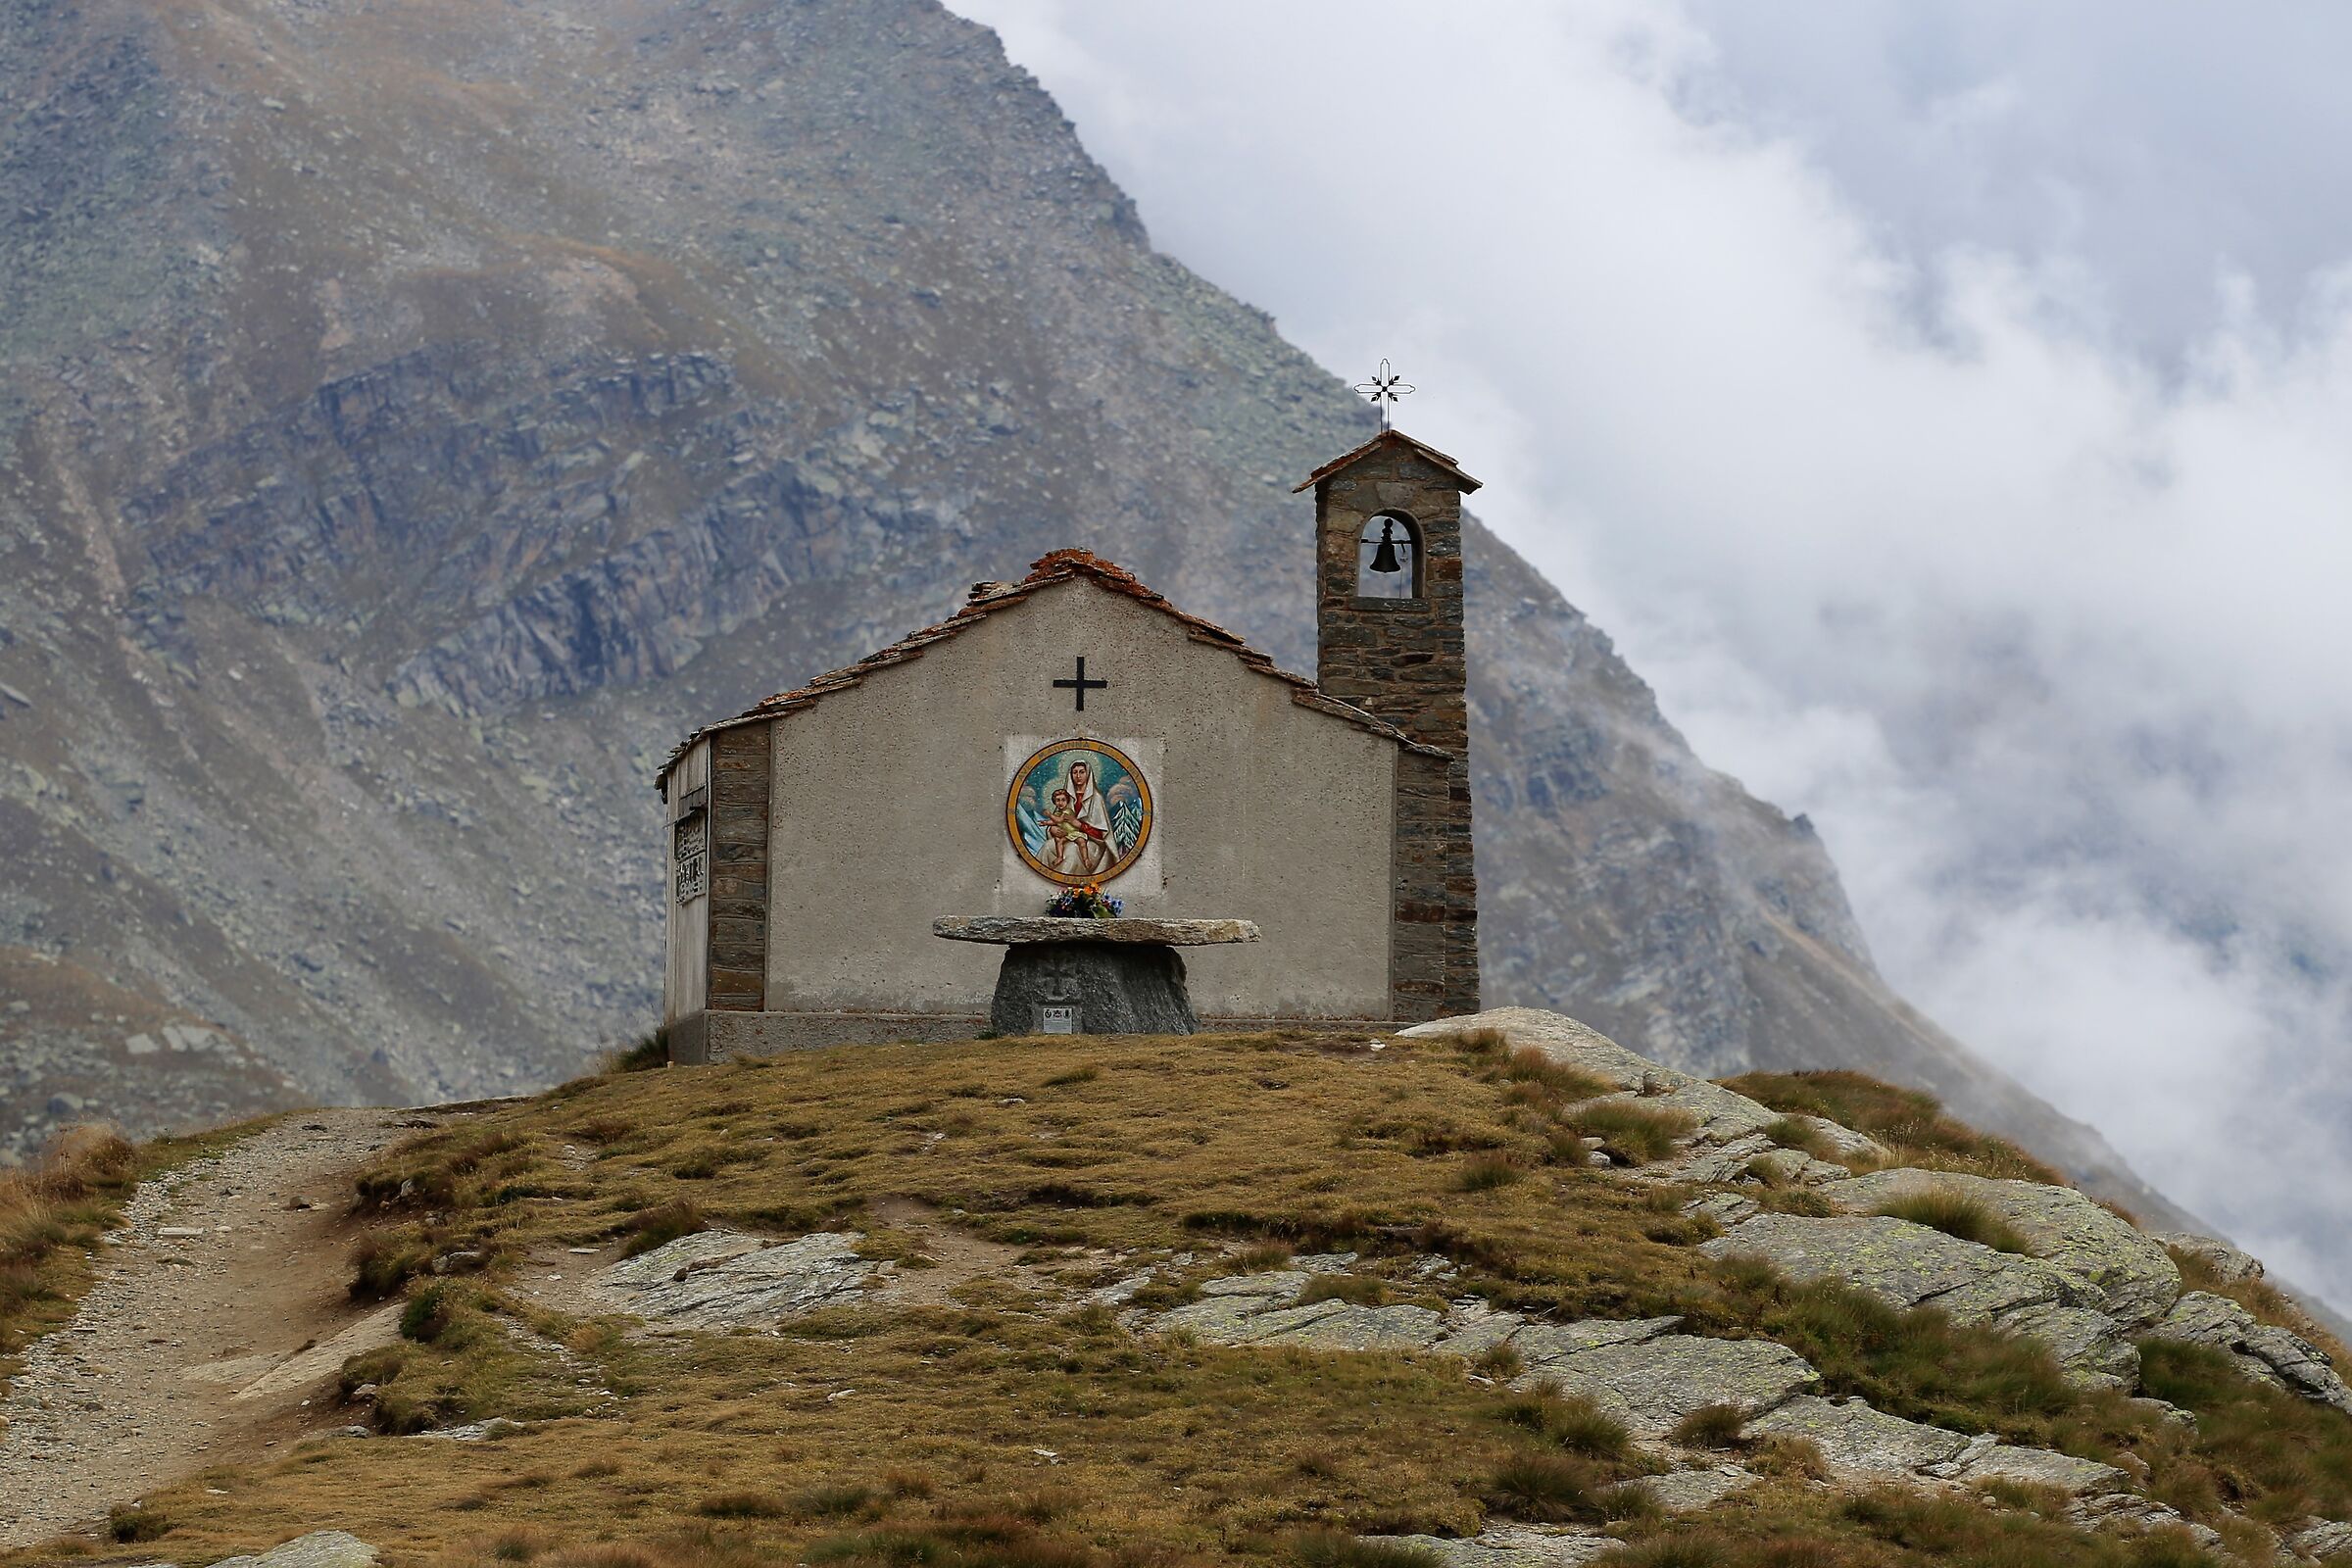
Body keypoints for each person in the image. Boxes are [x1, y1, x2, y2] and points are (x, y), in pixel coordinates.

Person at [1063, 758, 1118, 874]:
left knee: (1072, 851)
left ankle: (1068, 883)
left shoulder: (1096, 798)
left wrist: (1080, 825)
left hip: (1093, 844)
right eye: (1075, 772)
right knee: (1048, 847)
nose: (1078, 776)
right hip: (1069, 838)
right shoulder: (1066, 798)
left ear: (1088, 774)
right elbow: (1059, 820)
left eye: (1082, 772)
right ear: (1071, 775)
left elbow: (1102, 834)